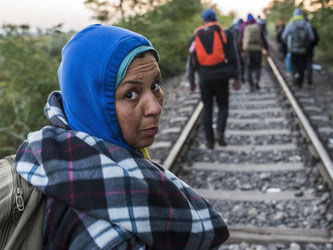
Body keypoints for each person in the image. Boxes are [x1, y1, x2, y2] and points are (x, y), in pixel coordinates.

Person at [13, 24, 229, 249]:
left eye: (155, 85)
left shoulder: (56, 156)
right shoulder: (110, 235)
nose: (155, 107)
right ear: (92, 103)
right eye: (131, 94)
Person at [187, 9, 241, 149]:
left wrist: (192, 81)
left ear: (203, 21)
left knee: (207, 108)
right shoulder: (224, 33)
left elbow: (191, 62)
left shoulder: (196, 36)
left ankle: (209, 141)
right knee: (223, 106)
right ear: (215, 19)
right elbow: (233, 56)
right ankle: (220, 132)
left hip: (204, 77)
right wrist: (236, 77)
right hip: (221, 75)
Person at [282, 8, 315, 88]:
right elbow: (312, 37)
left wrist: (288, 44)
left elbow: (283, 36)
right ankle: (300, 82)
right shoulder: (306, 24)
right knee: (302, 65)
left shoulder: (291, 24)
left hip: (293, 49)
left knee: (294, 64)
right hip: (303, 50)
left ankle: (295, 74)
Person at [238, 13, 269, 92]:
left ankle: (251, 86)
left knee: (248, 68)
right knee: (258, 66)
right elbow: (263, 39)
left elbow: (240, 40)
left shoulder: (243, 26)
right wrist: (266, 49)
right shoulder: (258, 26)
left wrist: (240, 50)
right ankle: (257, 81)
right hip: (257, 50)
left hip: (247, 50)